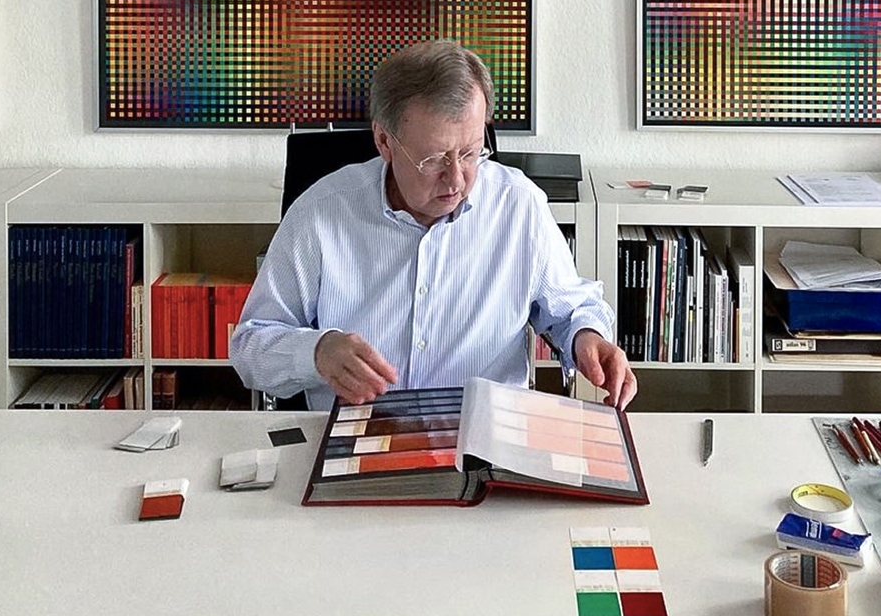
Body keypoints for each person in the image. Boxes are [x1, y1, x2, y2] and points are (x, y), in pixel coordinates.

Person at [230, 39, 636, 411]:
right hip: (359, 438)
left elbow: (572, 308)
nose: (456, 179)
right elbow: (251, 345)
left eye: (471, 153)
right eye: (434, 159)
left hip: (485, 438)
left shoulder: (518, 205)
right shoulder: (322, 213)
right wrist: (316, 352)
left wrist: (588, 338)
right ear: (384, 142)